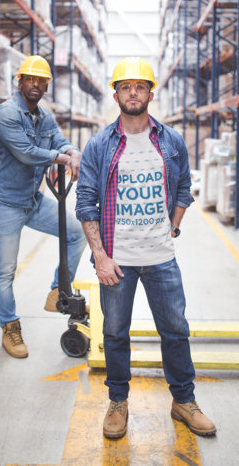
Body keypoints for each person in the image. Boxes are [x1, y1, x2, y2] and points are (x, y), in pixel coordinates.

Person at [75, 57, 216, 439]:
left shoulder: (169, 140)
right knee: (116, 333)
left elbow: (184, 187)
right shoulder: (99, 145)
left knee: (175, 331)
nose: (133, 92)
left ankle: (183, 401)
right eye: (125, 86)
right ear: (115, 92)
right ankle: (117, 402)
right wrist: (100, 257)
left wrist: (173, 226)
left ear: (151, 92)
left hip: (161, 259)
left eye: (140, 85)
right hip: (116, 262)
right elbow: (86, 202)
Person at [0, 55, 86, 358]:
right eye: (31, 79)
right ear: (20, 81)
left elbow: (59, 138)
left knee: (77, 231)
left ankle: (57, 292)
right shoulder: (7, 114)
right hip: (1, 203)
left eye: (42, 81)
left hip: (31, 200)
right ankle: (10, 328)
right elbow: (26, 153)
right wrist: (61, 158)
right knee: (5, 271)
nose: (36, 85)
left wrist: (72, 151)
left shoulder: (43, 115)